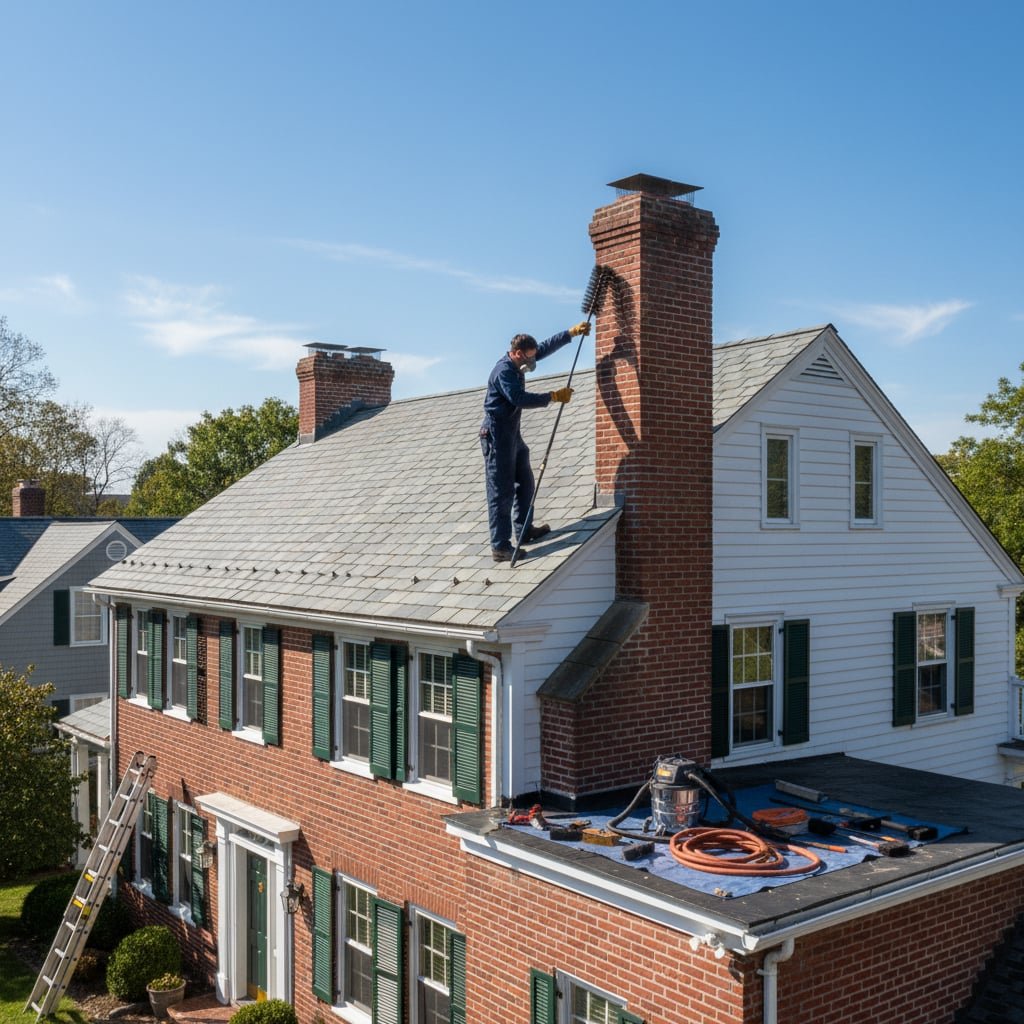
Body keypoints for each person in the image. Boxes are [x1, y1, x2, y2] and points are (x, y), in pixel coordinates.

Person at [480, 322, 591, 562]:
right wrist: (552, 397)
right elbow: (518, 398)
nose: (532, 363)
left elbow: (544, 348)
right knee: (502, 491)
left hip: (512, 433)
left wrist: (570, 333)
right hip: (497, 434)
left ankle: (524, 530)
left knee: (526, 482)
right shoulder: (504, 372)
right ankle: (500, 546)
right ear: (518, 353)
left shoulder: (521, 359)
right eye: (529, 359)